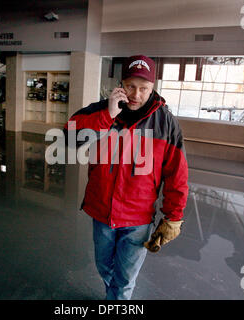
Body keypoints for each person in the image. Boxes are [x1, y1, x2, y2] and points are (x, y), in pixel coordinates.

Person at [63, 55, 189, 300]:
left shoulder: (166, 123)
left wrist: (174, 216)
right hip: (101, 212)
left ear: (153, 87)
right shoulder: (100, 110)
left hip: (137, 219)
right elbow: (68, 138)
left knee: (125, 279)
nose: (136, 95)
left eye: (144, 88)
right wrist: (106, 116)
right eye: (131, 86)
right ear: (121, 83)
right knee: (104, 266)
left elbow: (177, 174)